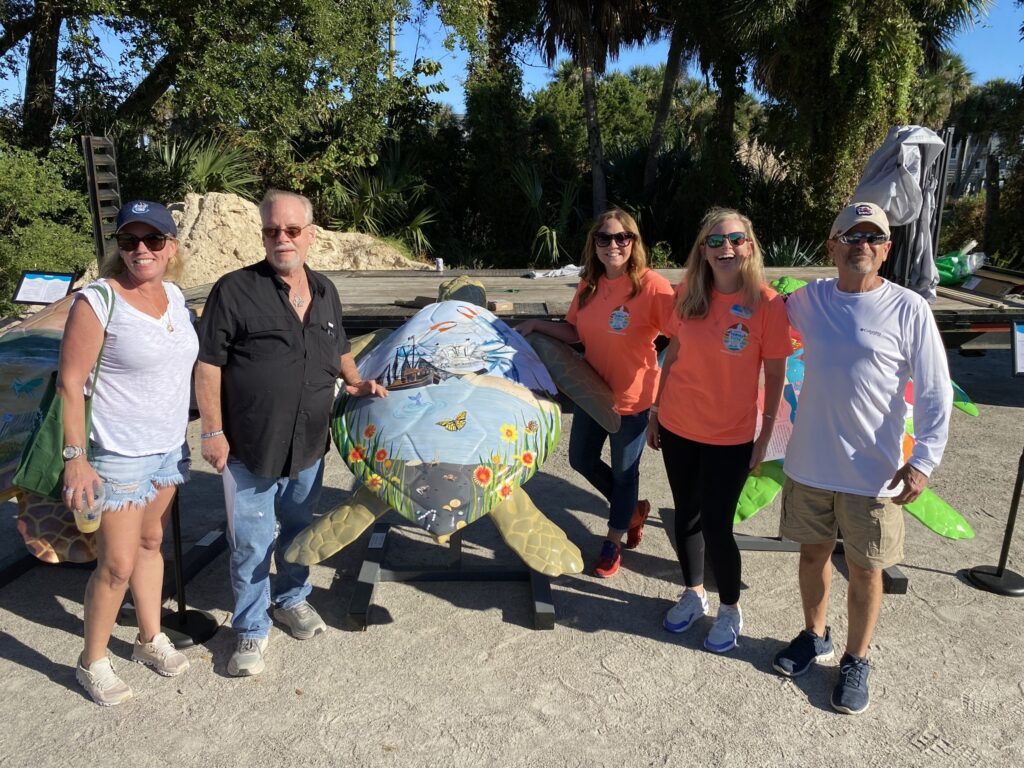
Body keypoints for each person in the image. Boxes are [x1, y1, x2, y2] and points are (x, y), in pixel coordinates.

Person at [195, 189, 387, 677]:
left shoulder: (325, 290)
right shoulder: (233, 290)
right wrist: (212, 430)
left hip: (308, 445)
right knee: (252, 542)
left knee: (301, 528)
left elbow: (337, 346)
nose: (282, 239)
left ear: (311, 235)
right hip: (249, 446)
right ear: (262, 235)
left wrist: (356, 379)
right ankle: (250, 629)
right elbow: (209, 365)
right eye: (271, 230)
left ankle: (292, 597)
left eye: (292, 230)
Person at [771, 202, 952, 715]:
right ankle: (814, 635)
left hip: (873, 472)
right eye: (851, 235)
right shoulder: (807, 301)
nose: (862, 245)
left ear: (887, 249)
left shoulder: (908, 308)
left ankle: (856, 657)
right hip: (809, 464)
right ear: (831, 245)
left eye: (874, 238)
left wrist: (925, 461)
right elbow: (749, 317)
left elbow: (936, 389)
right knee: (811, 555)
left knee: (866, 570)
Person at [62, 201, 198, 706]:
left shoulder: (176, 297)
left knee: (150, 542)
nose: (141, 250)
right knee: (116, 563)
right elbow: (70, 384)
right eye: (129, 241)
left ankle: (147, 637)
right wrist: (76, 457)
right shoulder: (98, 301)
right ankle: (91, 660)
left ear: (171, 247)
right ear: (117, 247)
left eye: (153, 240)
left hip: (168, 448)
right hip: (118, 453)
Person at [646, 208, 790, 653]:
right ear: (703, 251)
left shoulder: (767, 304)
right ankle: (694, 593)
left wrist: (764, 438)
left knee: (717, 526)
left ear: (749, 246)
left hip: (729, 436)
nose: (726, 248)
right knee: (685, 514)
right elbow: (672, 356)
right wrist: (654, 409)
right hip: (677, 424)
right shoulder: (688, 293)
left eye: (735, 239)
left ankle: (730, 607)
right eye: (715, 241)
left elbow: (777, 377)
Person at [518, 209, 675, 577]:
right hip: (592, 392)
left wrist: (665, 396)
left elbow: (683, 333)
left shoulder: (651, 285)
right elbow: (575, 332)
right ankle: (632, 510)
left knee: (624, 473)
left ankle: (613, 540)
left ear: (634, 242)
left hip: (633, 400)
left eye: (622, 238)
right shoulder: (589, 283)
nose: (613, 245)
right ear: (594, 244)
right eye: (604, 238)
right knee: (581, 460)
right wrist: (536, 324)